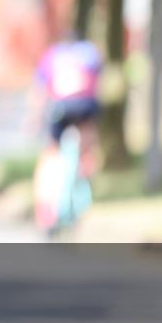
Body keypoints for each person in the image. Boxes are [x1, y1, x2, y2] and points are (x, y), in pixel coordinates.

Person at [27, 34, 103, 233]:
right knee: (87, 149)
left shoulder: (52, 55)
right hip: (86, 107)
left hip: (59, 106)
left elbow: (40, 89)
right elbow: (97, 85)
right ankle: (84, 199)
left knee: (51, 154)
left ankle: (45, 211)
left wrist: (34, 119)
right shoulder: (90, 53)